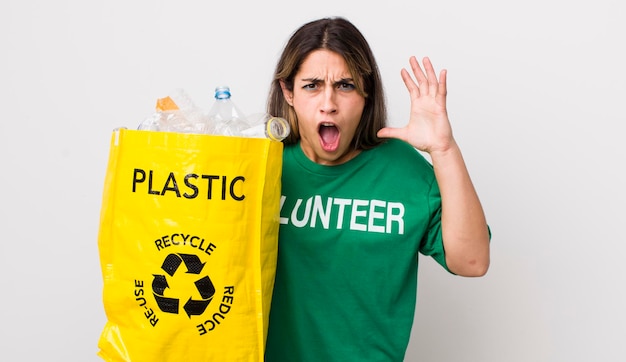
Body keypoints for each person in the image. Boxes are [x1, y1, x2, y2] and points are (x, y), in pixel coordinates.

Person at [264, 16, 490, 361]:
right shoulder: (262, 165)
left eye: (345, 85)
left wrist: (444, 150)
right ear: (288, 92)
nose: (329, 103)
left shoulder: (404, 171)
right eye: (311, 86)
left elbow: (472, 261)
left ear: (366, 92)